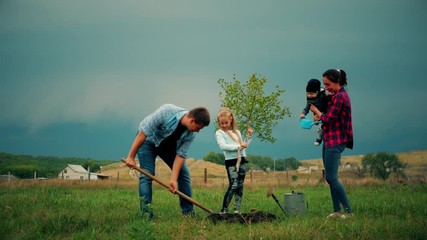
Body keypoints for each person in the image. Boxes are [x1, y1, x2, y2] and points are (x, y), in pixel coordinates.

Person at [124, 104, 210, 220]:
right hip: (148, 141)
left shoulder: (191, 133)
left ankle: (188, 214)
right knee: (147, 174)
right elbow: (142, 134)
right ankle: (146, 214)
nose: (198, 131)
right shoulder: (166, 112)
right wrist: (130, 157)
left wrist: (173, 179)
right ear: (192, 120)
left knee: (183, 174)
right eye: (198, 128)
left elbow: (180, 155)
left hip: (167, 147)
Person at [310, 69, 353, 219]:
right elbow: (327, 117)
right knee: (329, 178)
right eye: (324, 84)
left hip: (337, 140)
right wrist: (318, 117)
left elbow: (329, 119)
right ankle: (337, 211)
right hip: (329, 139)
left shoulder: (341, 97)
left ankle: (348, 212)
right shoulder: (335, 96)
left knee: (332, 178)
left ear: (337, 82)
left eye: (328, 84)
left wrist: (316, 111)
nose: (325, 87)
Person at [215, 107, 253, 214]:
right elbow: (223, 146)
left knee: (240, 186)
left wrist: (249, 136)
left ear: (231, 120)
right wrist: (238, 146)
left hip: (242, 160)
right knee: (233, 184)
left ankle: (236, 210)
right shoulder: (219, 133)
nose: (224, 125)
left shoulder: (237, 132)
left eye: (226, 123)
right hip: (231, 161)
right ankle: (224, 209)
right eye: (221, 123)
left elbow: (244, 146)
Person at [300, 78, 330, 146]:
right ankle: (321, 137)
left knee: (321, 126)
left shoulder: (323, 97)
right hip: (317, 116)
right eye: (308, 93)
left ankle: (319, 139)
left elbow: (328, 105)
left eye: (312, 94)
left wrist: (320, 113)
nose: (310, 95)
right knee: (319, 125)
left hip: (324, 114)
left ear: (317, 92)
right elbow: (306, 108)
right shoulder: (309, 100)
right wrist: (303, 114)